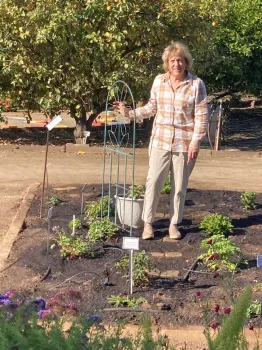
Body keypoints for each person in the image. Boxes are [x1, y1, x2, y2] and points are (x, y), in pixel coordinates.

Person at [114, 42, 207, 240]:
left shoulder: (196, 84)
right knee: (153, 182)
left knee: (179, 186)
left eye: (180, 60)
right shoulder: (159, 81)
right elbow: (150, 108)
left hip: (184, 143)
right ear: (167, 63)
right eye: (172, 60)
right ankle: (148, 224)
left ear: (186, 62)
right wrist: (129, 113)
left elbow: (201, 116)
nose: (176, 64)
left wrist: (195, 142)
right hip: (160, 141)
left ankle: (174, 224)